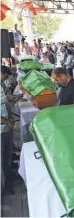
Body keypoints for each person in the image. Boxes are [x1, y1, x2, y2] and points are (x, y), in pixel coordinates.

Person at [1, 66, 15, 194]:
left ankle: (8, 179)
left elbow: (5, 103)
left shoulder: (1, 85)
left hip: (6, 126)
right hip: (1, 128)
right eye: (5, 76)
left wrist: (10, 119)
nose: (6, 79)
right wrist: (7, 121)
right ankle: (3, 187)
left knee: (6, 156)